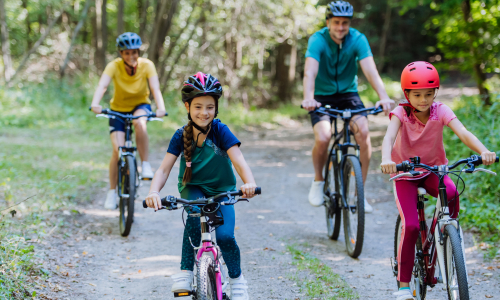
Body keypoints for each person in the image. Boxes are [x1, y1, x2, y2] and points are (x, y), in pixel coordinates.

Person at [380, 61, 496, 300]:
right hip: (405, 174)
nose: (424, 100)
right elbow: (389, 136)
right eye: (418, 94)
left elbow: (462, 131)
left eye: (429, 94)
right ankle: (404, 284)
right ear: (407, 95)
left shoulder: (440, 110)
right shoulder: (401, 112)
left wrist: (484, 151)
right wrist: (385, 158)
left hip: (433, 170)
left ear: (436, 93)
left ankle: (446, 235)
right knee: (411, 225)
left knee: (452, 193)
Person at [145, 72, 257, 300]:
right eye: (197, 106)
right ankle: (185, 272)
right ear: (187, 106)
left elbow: (238, 159)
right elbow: (164, 169)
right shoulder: (180, 135)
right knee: (194, 220)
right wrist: (153, 192)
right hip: (192, 189)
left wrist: (249, 182)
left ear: (216, 108)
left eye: (209, 106)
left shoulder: (220, 131)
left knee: (225, 237)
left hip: (222, 191)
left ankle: (236, 280)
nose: (204, 112)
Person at [302, 0, 395, 212]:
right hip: (320, 96)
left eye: (345, 23)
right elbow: (310, 72)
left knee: (363, 132)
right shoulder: (317, 40)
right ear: (328, 22)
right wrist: (308, 97)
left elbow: (371, 71)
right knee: (324, 137)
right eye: (336, 22)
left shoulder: (357, 39)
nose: (341, 27)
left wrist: (383, 96)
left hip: (348, 95)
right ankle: (318, 181)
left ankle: (359, 194)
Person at [90, 32, 166, 210]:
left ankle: (145, 164)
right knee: (117, 151)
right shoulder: (114, 66)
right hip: (117, 109)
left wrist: (160, 108)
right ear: (121, 53)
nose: (131, 56)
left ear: (138, 52)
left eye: (134, 52)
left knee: (140, 122)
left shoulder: (147, 65)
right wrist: (95, 103)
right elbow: (103, 85)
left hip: (140, 105)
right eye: (126, 53)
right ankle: (111, 192)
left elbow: (155, 88)